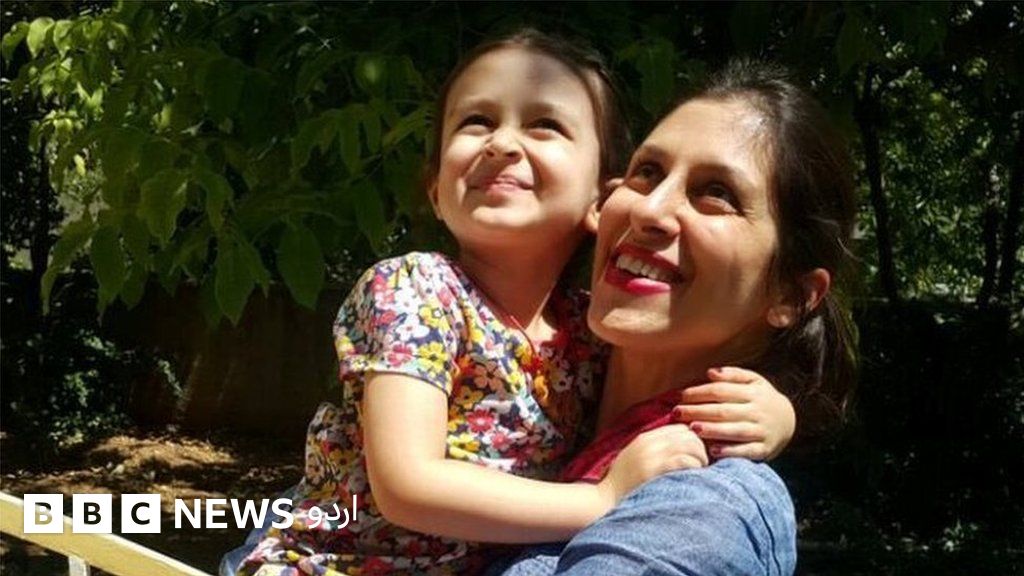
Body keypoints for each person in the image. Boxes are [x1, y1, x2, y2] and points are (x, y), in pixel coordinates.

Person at [230, 32, 797, 576]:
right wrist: (601, 499)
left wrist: (776, 416)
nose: (500, 143)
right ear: (435, 191)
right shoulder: (416, 291)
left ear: (601, 199)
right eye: (475, 121)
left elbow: (659, 412)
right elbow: (407, 485)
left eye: (545, 124)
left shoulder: (586, 335)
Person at [492, 58, 858, 575]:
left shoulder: (702, 509)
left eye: (717, 194)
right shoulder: (526, 381)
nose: (649, 211)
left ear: (792, 296)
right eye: (647, 172)